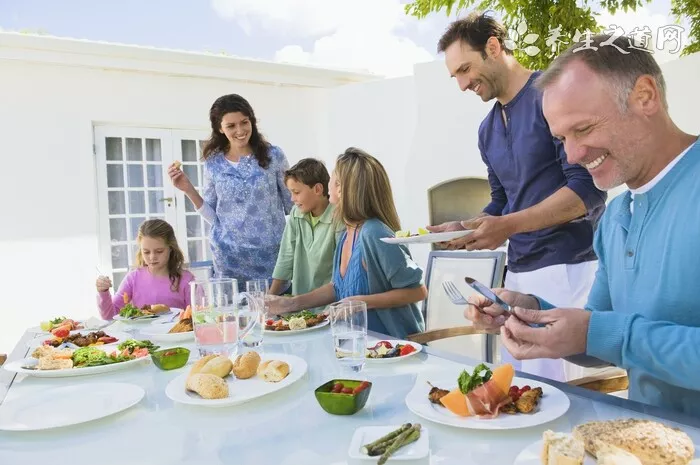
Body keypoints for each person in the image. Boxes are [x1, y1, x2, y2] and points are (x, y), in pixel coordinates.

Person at [467, 33, 700, 417]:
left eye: (584, 129)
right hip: (645, 444)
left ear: (645, 96)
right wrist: (531, 314)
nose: (573, 156)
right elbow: (599, 338)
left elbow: (607, 334)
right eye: (561, 138)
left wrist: (600, 333)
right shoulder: (617, 217)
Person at [428, 12, 607, 382]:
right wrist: (461, 229)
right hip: (519, 276)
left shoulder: (550, 96)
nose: (462, 84)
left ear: (493, 47)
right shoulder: (486, 129)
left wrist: (505, 225)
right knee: (526, 391)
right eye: (455, 76)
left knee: (567, 396)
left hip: (569, 268)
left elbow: (587, 190)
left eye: (465, 69)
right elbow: (502, 201)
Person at [267, 148, 428, 339]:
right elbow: (338, 288)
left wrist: (361, 302)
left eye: (333, 178)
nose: (328, 182)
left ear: (342, 189)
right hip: (356, 345)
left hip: (389, 346)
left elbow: (417, 291)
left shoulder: (373, 233)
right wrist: (291, 303)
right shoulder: (348, 231)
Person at [168, 94, 293, 287]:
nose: (240, 130)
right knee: (231, 315)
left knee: (274, 315)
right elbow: (213, 215)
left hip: (271, 258)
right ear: (220, 128)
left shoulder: (273, 156)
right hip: (228, 259)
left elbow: (292, 204)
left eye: (244, 122)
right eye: (231, 126)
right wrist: (187, 188)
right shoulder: (213, 163)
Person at [269, 158, 341, 299]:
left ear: (318, 189)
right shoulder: (296, 214)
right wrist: (270, 298)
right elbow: (286, 257)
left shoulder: (339, 217)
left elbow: (342, 271)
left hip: (331, 305)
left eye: (296, 192)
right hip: (301, 307)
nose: (292, 199)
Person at [96, 219, 195, 320]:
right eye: (146, 252)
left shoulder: (187, 280)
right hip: (140, 335)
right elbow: (110, 315)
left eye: (159, 251)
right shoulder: (133, 278)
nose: (152, 257)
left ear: (170, 248)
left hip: (176, 334)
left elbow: (197, 315)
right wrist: (103, 292)